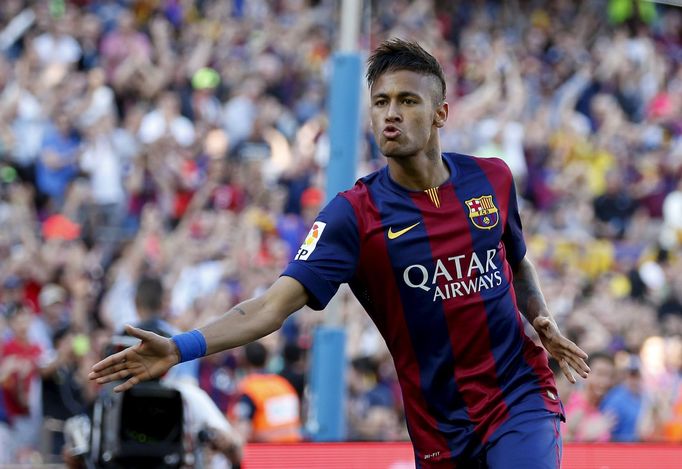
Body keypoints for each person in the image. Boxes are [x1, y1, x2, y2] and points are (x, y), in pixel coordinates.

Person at [90, 39, 590, 468]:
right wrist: (181, 347)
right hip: (441, 426)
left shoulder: (492, 178)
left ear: (440, 113)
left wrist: (543, 320)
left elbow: (516, 260)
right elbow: (268, 308)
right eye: (381, 102)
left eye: (407, 101)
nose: (390, 113)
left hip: (519, 396)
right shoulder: (353, 216)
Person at [229, 342, 302, 443]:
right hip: (294, 450)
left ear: (243, 360)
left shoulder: (249, 389)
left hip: (264, 453)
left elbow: (241, 430)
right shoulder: (284, 385)